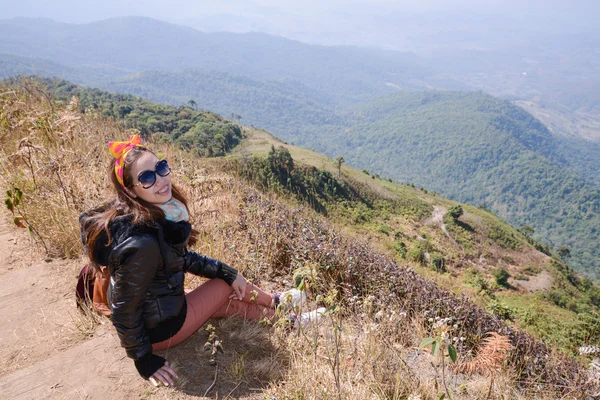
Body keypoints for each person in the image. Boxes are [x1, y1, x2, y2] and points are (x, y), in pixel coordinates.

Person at [80, 135, 313, 387]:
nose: (160, 180)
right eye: (147, 178)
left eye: (160, 168)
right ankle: (278, 304)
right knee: (224, 286)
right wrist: (143, 359)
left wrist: (223, 270)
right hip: (159, 329)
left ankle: (289, 321)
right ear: (129, 189)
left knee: (229, 299)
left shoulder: (151, 215)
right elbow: (124, 308)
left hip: (160, 307)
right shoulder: (142, 242)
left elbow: (181, 258)